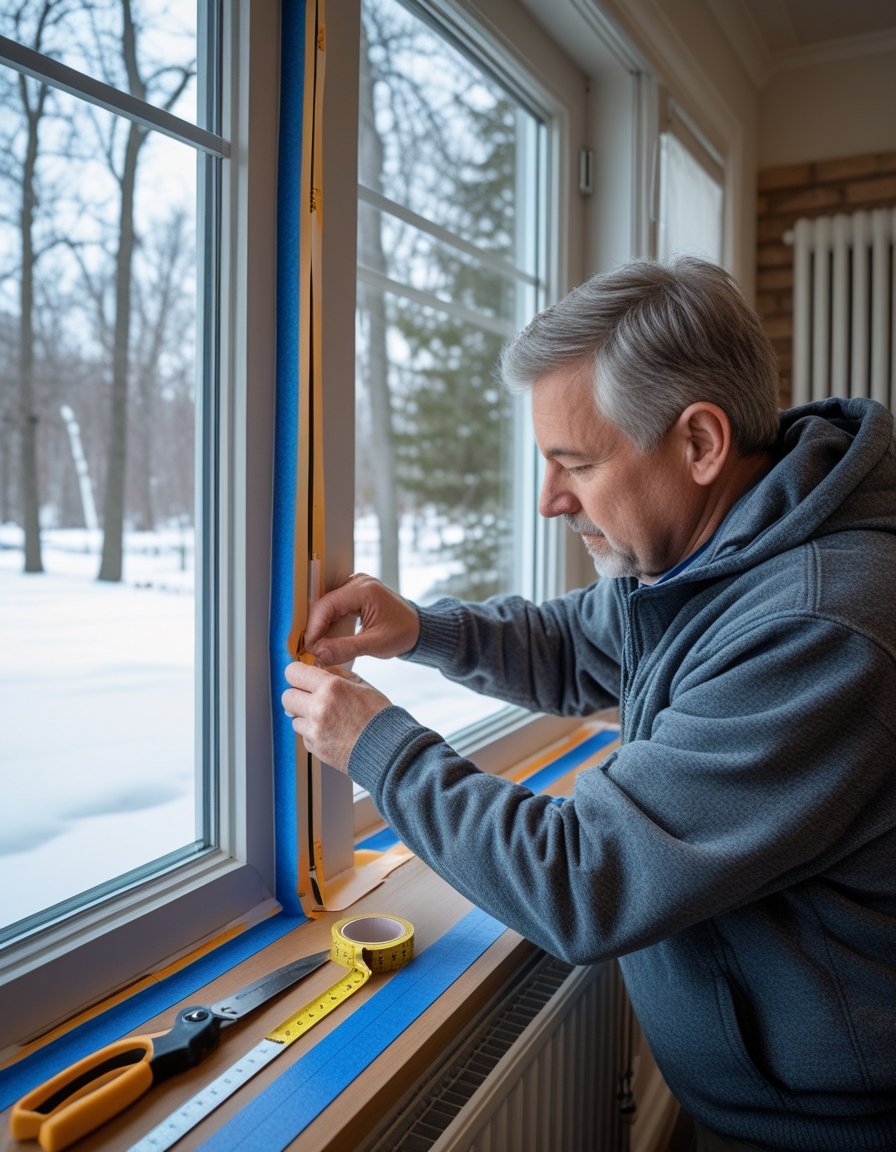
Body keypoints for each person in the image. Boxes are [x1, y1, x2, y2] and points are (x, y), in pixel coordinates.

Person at [282, 257, 896, 1152]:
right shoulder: (727, 549)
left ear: (699, 443)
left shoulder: (820, 628)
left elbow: (584, 879)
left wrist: (377, 745)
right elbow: (575, 643)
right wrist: (419, 629)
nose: (547, 501)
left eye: (576, 463)